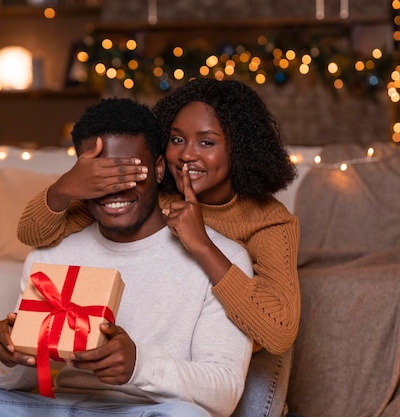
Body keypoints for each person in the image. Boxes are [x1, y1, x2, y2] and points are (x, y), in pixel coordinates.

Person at [0, 98, 254, 417]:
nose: (114, 189)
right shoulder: (55, 253)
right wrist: (6, 356)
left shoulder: (219, 258)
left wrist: (138, 364)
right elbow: (14, 381)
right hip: (57, 407)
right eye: (98, 176)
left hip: (142, 410)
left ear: (158, 169)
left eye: (129, 172)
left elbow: (223, 393)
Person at [16, 79, 299, 416]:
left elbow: (279, 331)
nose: (187, 154)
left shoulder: (269, 222)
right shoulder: (153, 196)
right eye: (177, 139)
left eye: (206, 142)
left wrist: (202, 245)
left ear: (240, 148)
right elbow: (35, 233)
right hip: (172, 365)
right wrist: (66, 188)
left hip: (250, 346)